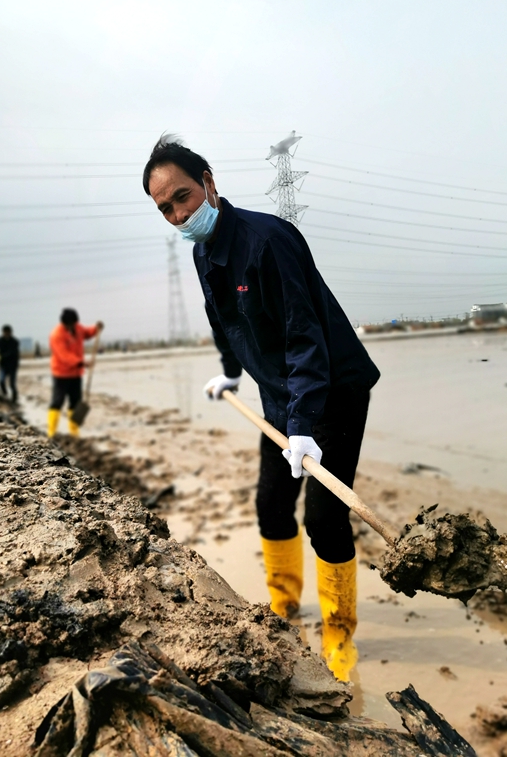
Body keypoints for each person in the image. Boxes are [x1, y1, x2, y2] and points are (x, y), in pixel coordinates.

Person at [142, 137, 380, 681]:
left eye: (183, 197)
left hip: (333, 390)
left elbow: (304, 335)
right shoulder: (203, 252)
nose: (179, 215)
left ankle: (340, 635)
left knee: (324, 518)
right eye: (166, 209)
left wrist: (302, 425)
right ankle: (283, 607)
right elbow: (223, 318)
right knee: (271, 506)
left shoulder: (268, 240)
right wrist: (231, 370)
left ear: (209, 182)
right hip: (280, 394)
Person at [47, 308, 104, 437]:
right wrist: (81, 362)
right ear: (65, 323)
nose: (73, 325)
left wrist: (96, 329)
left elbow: (87, 333)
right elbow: (63, 355)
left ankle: (74, 432)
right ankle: (51, 432)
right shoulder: (57, 334)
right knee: (57, 402)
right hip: (61, 374)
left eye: (74, 323)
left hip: (76, 374)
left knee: (75, 403)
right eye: (71, 324)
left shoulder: (78, 328)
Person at [0, 325, 20, 403]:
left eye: (8, 332)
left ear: (10, 332)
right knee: (1, 381)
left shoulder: (15, 342)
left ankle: (14, 398)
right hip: (3, 366)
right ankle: (5, 394)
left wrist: (2, 356)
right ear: (3, 332)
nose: (6, 334)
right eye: (5, 332)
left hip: (12, 366)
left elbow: (13, 353)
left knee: (12, 384)